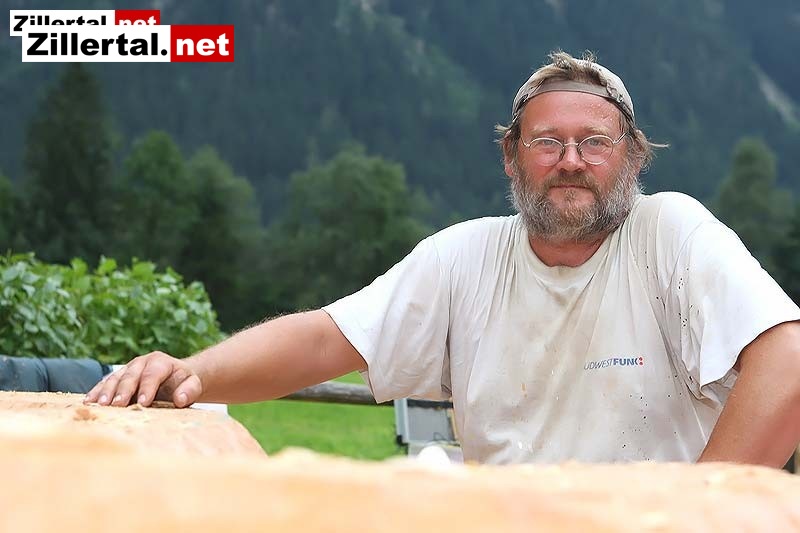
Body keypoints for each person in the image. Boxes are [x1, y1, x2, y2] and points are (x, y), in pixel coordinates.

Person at [86, 51, 800, 468]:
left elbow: (789, 360)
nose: (571, 160)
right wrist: (193, 372)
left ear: (634, 157)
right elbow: (325, 338)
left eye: (595, 142)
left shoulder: (670, 233)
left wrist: (698, 510)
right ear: (511, 156)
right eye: (546, 142)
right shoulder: (466, 256)